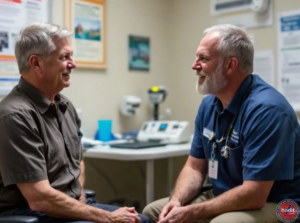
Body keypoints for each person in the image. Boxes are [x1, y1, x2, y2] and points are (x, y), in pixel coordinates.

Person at [143, 24, 300, 223]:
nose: (194, 65)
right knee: (153, 212)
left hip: (280, 205)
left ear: (230, 65)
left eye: (203, 58)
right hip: (224, 195)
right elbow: (194, 167)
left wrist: (194, 212)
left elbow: (255, 194)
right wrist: (177, 200)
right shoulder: (209, 104)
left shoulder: (267, 110)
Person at [0, 23, 150, 223]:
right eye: (64, 57)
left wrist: (79, 199)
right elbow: (39, 198)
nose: (73, 64)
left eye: (71, 56)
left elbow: (78, 161)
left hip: (68, 205)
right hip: (31, 212)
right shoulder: (15, 116)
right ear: (36, 63)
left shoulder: (64, 105)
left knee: (141, 219)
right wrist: (108, 217)